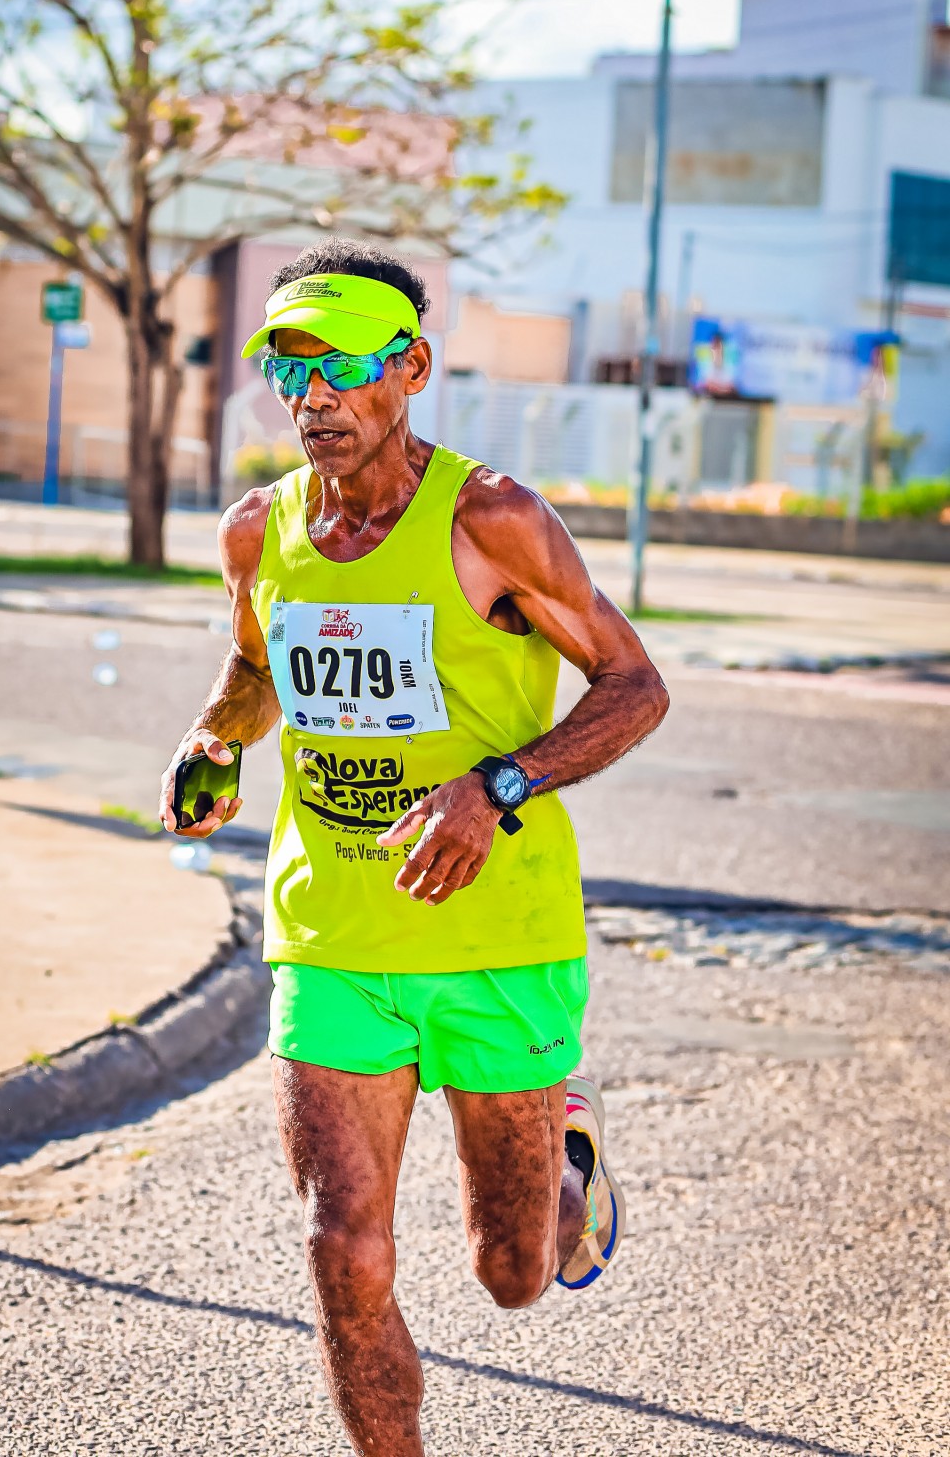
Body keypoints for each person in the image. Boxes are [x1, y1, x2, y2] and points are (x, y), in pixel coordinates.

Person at [160, 237, 669, 1457]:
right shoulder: (258, 531)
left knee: (513, 1270)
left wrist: (496, 786)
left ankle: (569, 1156)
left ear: (412, 369)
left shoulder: (493, 519)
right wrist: (213, 737)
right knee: (343, 1250)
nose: (314, 396)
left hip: (497, 935)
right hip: (333, 933)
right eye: (293, 368)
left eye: (343, 365)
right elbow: (255, 667)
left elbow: (634, 685)